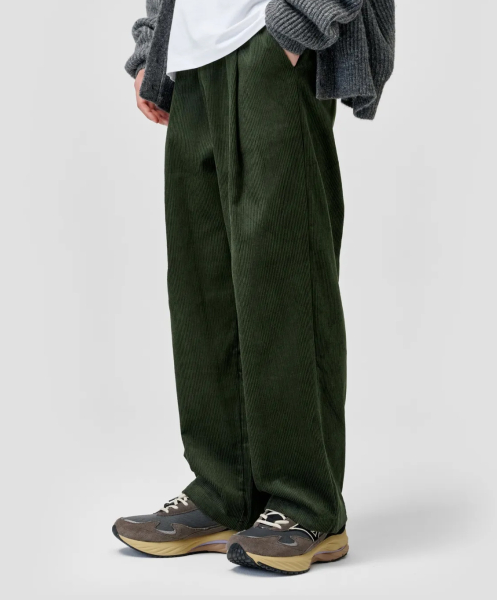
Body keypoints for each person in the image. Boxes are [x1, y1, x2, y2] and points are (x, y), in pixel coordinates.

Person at [113, 0, 395, 575]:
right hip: (191, 56)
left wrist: (296, 24)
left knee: (286, 279)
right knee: (202, 288)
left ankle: (307, 503)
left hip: (269, 42)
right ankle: (225, 492)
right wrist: (153, 46)